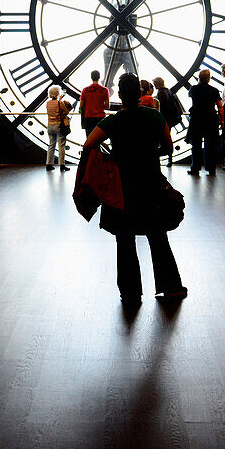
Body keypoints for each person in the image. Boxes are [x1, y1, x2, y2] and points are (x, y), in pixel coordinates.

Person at [82, 73, 187, 304]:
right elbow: (168, 147)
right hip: (151, 184)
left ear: (119, 95)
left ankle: (130, 293)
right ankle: (171, 287)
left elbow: (89, 144)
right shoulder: (155, 116)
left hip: (122, 189)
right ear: (140, 94)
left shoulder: (113, 121)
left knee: (125, 240)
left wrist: (112, 156)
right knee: (158, 236)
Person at [186, 69, 224, 176]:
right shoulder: (214, 90)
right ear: (209, 78)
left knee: (196, 145)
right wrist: (222, 120)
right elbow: (220, 106)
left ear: (199, 77)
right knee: (211, 145)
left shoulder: (193, 89)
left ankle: (195, 168)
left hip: (197, 119)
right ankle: (211, 168)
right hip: (211, 119)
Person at [152, 76, 184, 167]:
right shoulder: (169, 91)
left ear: (157, 84)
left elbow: (162, 108)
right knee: (168, 139)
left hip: (165, 119)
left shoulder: (161, 94)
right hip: (171, 119)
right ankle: (170, 159)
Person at [44, 86, 71, 172]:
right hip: (59, 125)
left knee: (51, 145)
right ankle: (62, 165)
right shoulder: (60, 103)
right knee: (61, 145)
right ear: (58, 93)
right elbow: (66, 111)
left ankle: (49, 164)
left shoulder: (48, 103)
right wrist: (61, 101)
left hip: (50, 125)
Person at [79, 70, 110, 136]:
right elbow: (107, 106)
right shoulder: (104, 90)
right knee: (99, 138)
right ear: (99, 77)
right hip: (100, 117)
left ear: (91, 77)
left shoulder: (85, 90)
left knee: (89, 139)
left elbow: (81, 105)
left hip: (88, 117)